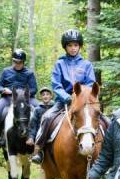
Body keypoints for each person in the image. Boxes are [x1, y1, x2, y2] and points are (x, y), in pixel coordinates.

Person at [31, 29, 96, 164]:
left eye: (75, 45)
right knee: (47, 117)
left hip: (83, 103)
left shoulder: (86, 65)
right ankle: (40, 150)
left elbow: (90, 84)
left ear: (79, 46)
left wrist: (81, 97)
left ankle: (104, 154)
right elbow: (56, 85)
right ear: (65, 47)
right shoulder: (59, 64)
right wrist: (66, 97)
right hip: (64, 101)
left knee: (102, 120)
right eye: (70, 45)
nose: (73, 48)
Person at [0, 49, 39, 147]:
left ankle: (38, 136)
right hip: (8, 98)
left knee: (39, 108)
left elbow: (34, 89)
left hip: (26, 99)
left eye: (20, 62)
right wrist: (3, 90)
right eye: (15, 62)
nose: (17, 64)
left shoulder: (29, 73)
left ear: (23, 62)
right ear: (13, 61)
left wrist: (24, 93)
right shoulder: (6, 71)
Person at [26, 87, 54, 179]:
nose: (46, 96)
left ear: (51, 96)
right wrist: (31, 137)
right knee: (44, 169)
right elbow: (33, 126)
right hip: (42, 140)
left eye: (48, 94)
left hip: (54, 138)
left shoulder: (56, 107)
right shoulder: (38, 110)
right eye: (43, 95)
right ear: (41, 97)